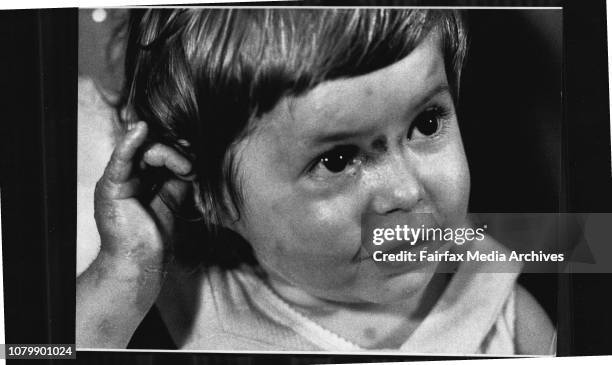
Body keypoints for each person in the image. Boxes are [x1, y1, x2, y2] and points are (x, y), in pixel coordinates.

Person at [76, 8, 555, 353]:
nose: (407, 192)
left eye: (426, 123)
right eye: (337, 159)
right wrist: (125, 273)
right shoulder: (169, 308)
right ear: (209, 195)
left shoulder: (505, 316)